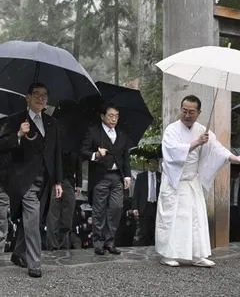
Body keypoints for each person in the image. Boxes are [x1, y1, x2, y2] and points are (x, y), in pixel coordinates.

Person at [156, 95, 240, 267]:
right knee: (173, 218)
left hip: (192, 180)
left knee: (195, 219)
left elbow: (217, 149)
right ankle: (167, 254)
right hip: (174, 181)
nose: (186, 115)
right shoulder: (171, 129)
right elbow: (171, 152)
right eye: (184, 111)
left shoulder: (203, 130)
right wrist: (195, 143)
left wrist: (234, 158)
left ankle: (197, 255)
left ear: (199, 113)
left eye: (191, 112)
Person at [0, 82, 63, 278]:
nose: (41, 98)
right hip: (24, 180)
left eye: (44, 95)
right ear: (27, 97)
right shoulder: (16, 120)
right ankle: (34, 262)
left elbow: (56, 154)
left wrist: (58, 181)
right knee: (33, 221)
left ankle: (18, 253)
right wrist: (18, 134)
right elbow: (1, 145)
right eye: (36, 94)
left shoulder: (52, 123)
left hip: (46, 181)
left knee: (34, 219)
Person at [80, 103, 132, 256]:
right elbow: (83, 151)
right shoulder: (93, 132)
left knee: (116, 208)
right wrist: (96, 154)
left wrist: (127, 175)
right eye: (110, 115)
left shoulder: (121, 134)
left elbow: (125, 156)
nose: (114, 119)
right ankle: (98, 242)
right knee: (99, 210)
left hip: (117, 176)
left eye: (116, 116)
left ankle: (110, 242)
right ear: (102, 116)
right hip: (100, 176)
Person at [46, 151, 82, 250]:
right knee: (54, 215)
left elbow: (78, 162)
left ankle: (64, 245)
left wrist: (79, 183)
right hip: (54, 180)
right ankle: (53, 246)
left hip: (69, 181)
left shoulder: (74, 143)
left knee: (67, 216)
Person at [132, 157, 161, 246]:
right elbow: (136, 193)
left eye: (155, 163)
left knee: (155, 230)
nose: (153, 165)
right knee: (143, 230)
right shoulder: (141, 176)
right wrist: (135, 208)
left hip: (156, 206)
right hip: (145, 206)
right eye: (151, 163)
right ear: (148, 164)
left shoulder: (161, 176)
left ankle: (153, 247)